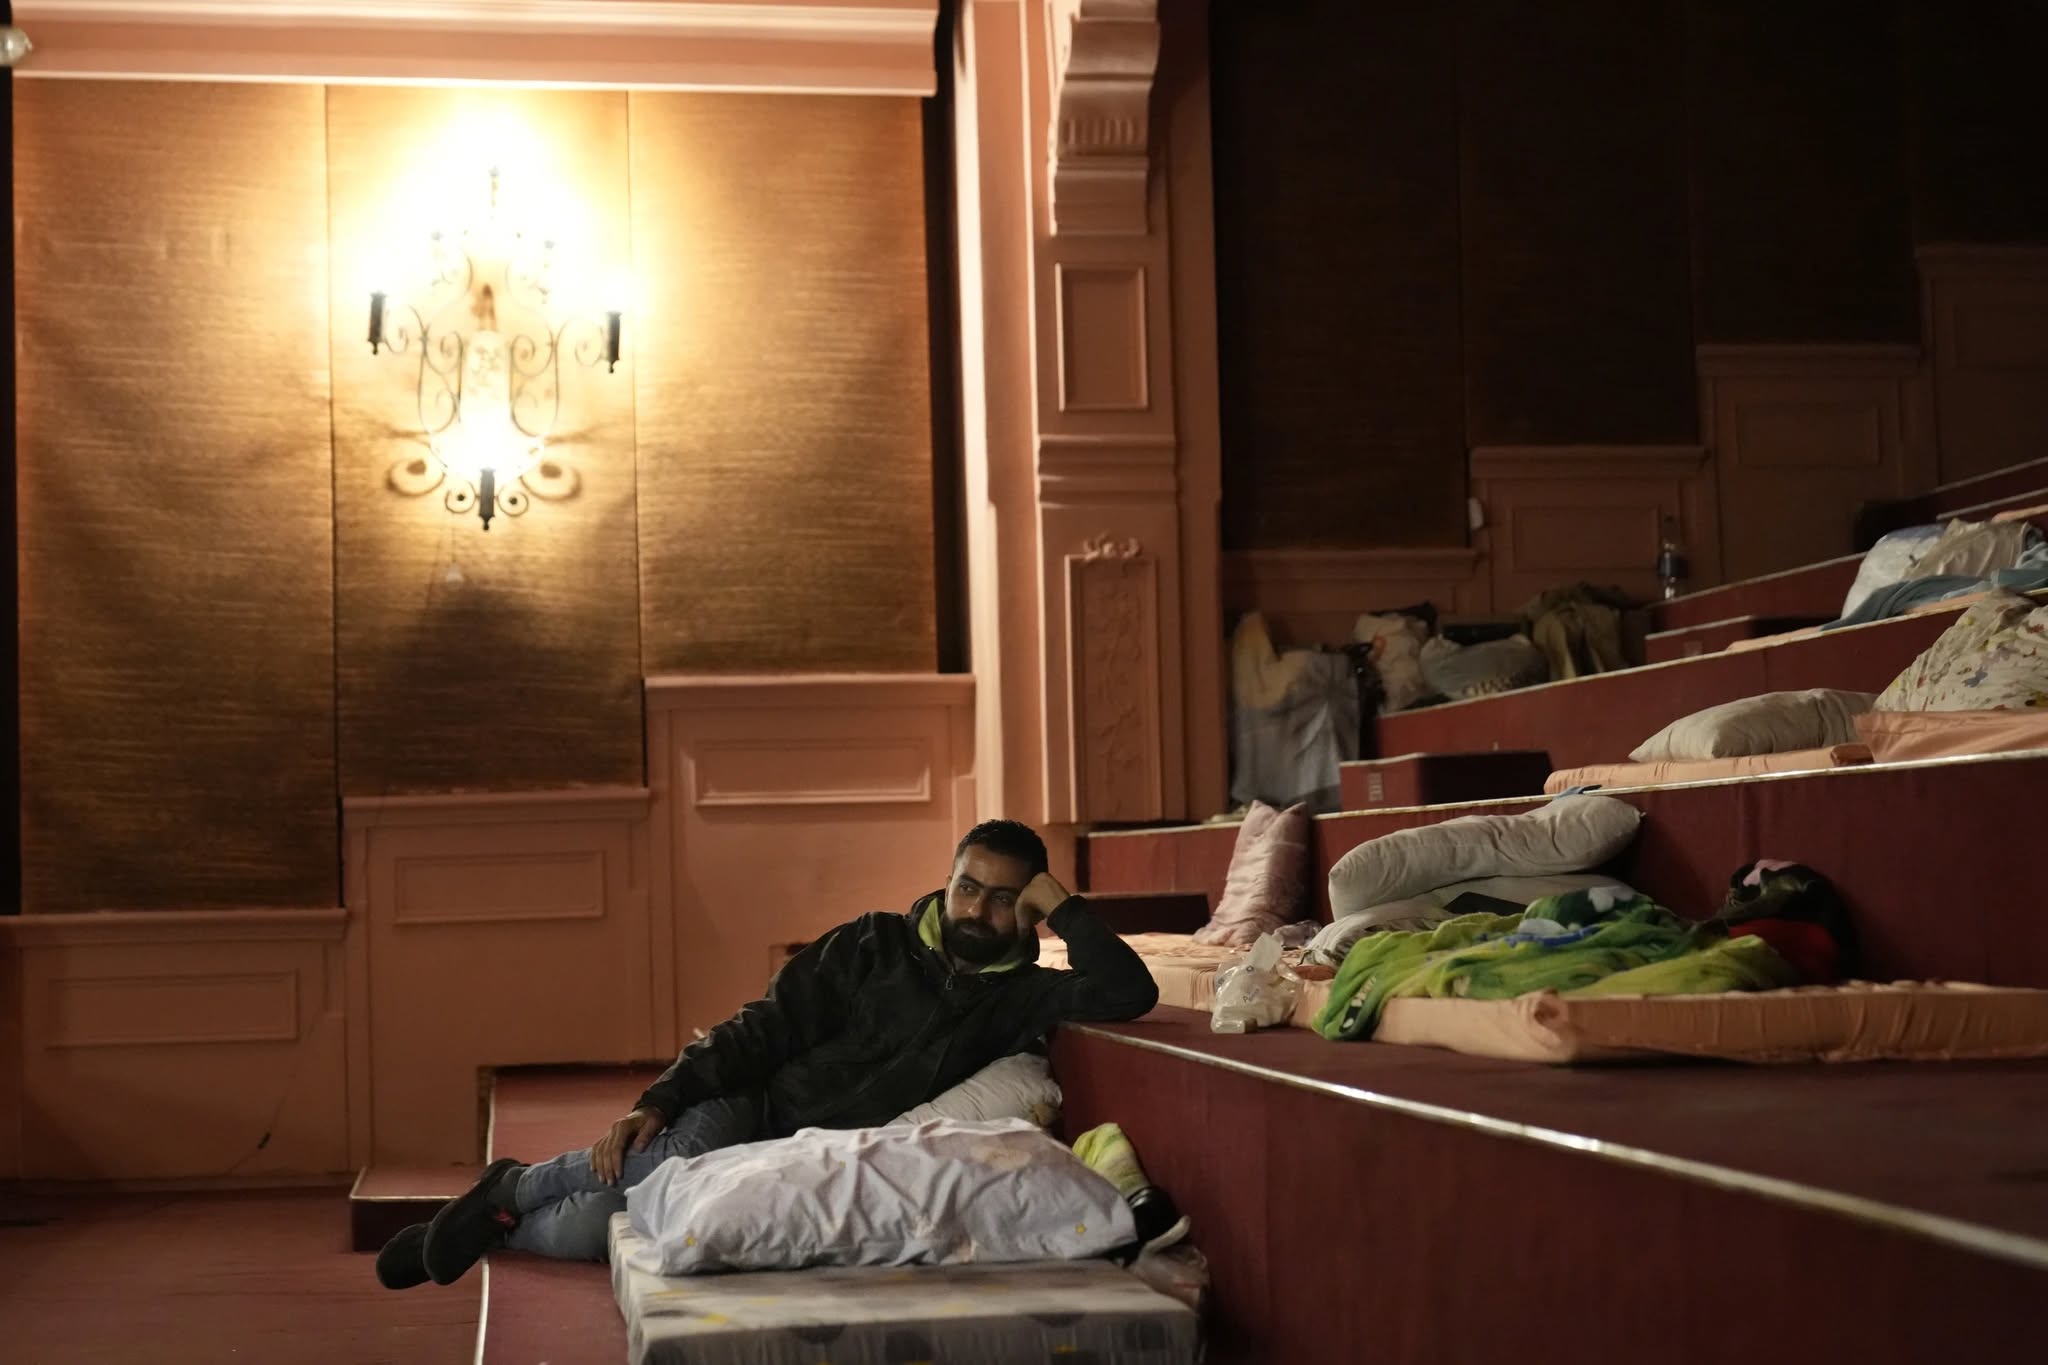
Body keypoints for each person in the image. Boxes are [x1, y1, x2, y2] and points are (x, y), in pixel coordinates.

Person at [377, 818, 1159, 1288]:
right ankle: (515, 1183)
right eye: (967, 886)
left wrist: (1065, 907)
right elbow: (765, 1025)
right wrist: (661, 1097)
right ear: (946, 881)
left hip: (795, 1159)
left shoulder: (1022, 994)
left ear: (1029, 909)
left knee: (593, 1232)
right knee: (664, 1160)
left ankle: (498, 1224)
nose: (977, 909)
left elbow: (1131, 990)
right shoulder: (874, 943)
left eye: (1004, 897)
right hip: (749, 1108)